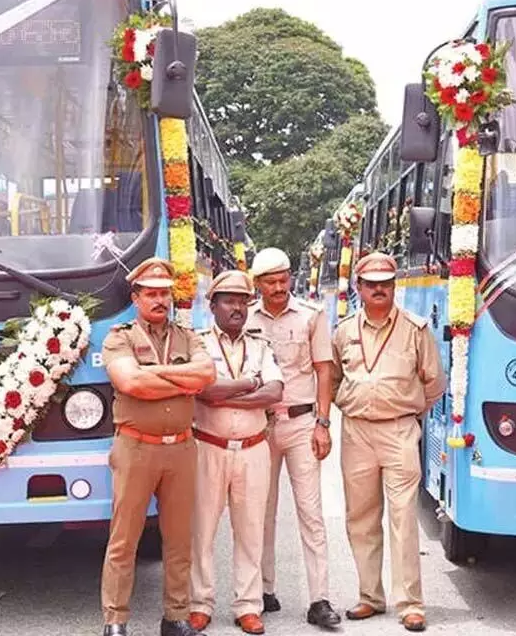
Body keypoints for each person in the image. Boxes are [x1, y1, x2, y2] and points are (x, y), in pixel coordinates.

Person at [99, 257, 218, 636]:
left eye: (164, 293)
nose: (160, 301)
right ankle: (115, 620)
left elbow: (206, 375)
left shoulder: (189, 336)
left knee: (180, 538)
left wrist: (154, 373)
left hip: (181, 449)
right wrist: (182, 381)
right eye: (151, 293)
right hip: (136, 448)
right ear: (136, 297)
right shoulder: (119, 337)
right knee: (125, 539)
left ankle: (176, 616)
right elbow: (130, 383)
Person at [330, 252, 445, 633]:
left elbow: (434, 382)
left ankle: (410, 603)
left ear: (394, 286)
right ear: (359, 288)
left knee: (402, 518)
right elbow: (332, 381)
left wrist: (409, 414)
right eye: (372, 283)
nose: (379, 289)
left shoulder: (415, 329)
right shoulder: (344, 330)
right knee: (360, 518)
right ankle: (369, 596)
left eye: (386, 283)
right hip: (357, 431)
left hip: (399, 431)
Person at [247, 247, 342, 629]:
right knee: (260, 511)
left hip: (302, 423)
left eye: (284, 279)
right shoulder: (247, 318)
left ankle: (319, 598)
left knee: (311, 513)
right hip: (260, 425)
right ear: (258, 285)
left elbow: (324, 371)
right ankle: (263, 591)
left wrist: (323, 423)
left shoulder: (311, 315)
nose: (279, 287)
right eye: (270, 282)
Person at [188, 270, 285, 635]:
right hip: (208, 447)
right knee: (202, 530)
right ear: (212, 305)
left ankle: (248, 605)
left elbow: (275, 392)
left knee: (250, 531)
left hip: (253, 449)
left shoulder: (260, 344)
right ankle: (199, 603)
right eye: (229, 300)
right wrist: (250, 383)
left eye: (243, 301)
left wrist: (229, 392)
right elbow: (204, 391)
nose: (237, 308)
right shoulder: (197, 345)